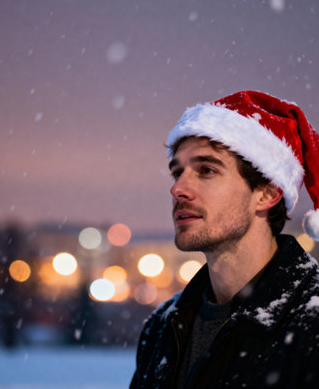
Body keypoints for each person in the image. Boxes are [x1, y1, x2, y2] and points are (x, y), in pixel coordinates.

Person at [130, 91, 319, 388]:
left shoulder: (311, 325)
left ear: (268, 193)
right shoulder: (162, 327)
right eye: (177, 172)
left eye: (206, 170)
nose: (178, 188)